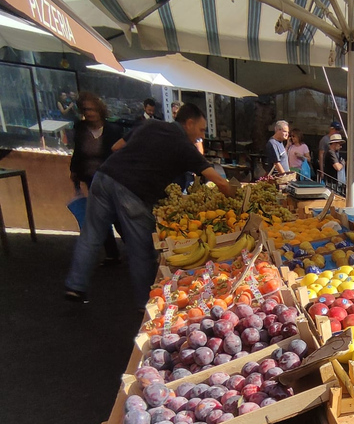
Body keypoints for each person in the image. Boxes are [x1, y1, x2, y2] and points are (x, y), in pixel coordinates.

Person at [64, 103, 235, 308]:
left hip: (104, 177)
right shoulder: (184, 146)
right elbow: (219, 181)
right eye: (200, 130)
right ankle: (145, 305)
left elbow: (116, 147)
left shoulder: (149, 126)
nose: (201, 136)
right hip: (133, 192)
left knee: (91, 235)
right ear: (189, 123)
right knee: (141, 250)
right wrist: (235, 196)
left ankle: (75, 285)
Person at [69, 92, 124, 264]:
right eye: (86, 109)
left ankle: (135, 248)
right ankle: (112, 254)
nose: (90, 113)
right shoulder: (80, 129)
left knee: (117, 215)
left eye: (93, 109)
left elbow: (120, 154)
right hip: (91, 178)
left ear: (100, 109)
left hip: (112, 178)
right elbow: (77, 151)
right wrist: (74, 171)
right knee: (99, 216)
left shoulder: (113, 130)